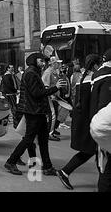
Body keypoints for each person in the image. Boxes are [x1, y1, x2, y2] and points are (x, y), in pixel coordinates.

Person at [4, 52, 66, 176]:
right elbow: (37, 93)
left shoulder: (34, 72)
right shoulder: (31, 73)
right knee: (28, 139)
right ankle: (11, 161)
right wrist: (55, 88)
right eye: (41, 61)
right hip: (33, 112)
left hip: (37, 111)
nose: (43, 63)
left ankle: (47, 167)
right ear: (34, 60)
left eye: (44, 61)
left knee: (43, 140)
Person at [56, 54, 102, 190]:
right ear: (95, 65)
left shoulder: (81, 78)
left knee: (93, 151)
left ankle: (65, 172)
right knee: (95, 151)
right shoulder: (94, 79)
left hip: (82, 120)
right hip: (89, 121)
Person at [90, 48, 111, 192]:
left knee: (104, 163)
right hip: (105, 123)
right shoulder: (108, 77)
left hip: (98, 122)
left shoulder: (97, 75)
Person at [42, 56, 63, 141]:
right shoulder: (48, 72)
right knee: (52, 115)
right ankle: (49, 133)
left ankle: (52, 129)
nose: (60, 64)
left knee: (55, 114)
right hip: (50, 97)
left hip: (55, 97)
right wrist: (51, 95)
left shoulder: (54, 72)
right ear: (53, 63)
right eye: (58, 63)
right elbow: (45, 86)